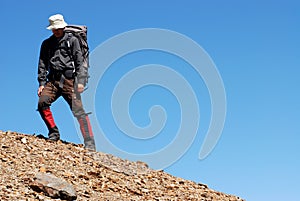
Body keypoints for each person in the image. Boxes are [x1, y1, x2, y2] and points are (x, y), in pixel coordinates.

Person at [37, 14, 96, 151]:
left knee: (78, 111)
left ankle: (90, 143)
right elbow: (42, 64)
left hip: (70, 81)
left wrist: (81, 81)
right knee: (42, 103)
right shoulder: (46, 44)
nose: (56, 31)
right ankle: (53, 133)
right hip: (52, 81)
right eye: (54, 29)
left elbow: (79, 61)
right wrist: (41, 83)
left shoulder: (73, 40)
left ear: (63, 26)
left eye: (58, 28)